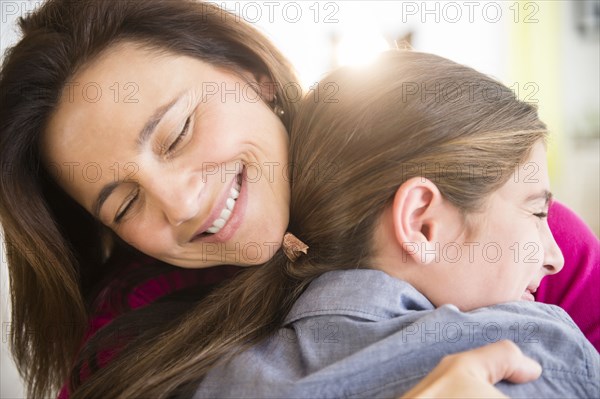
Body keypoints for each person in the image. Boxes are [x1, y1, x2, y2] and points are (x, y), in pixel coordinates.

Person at [0, 0, 597, 397]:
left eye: (179, 132)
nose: (178, 205)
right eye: (124, 204)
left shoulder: (512, 231)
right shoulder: (128, 343)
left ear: (252, 73)